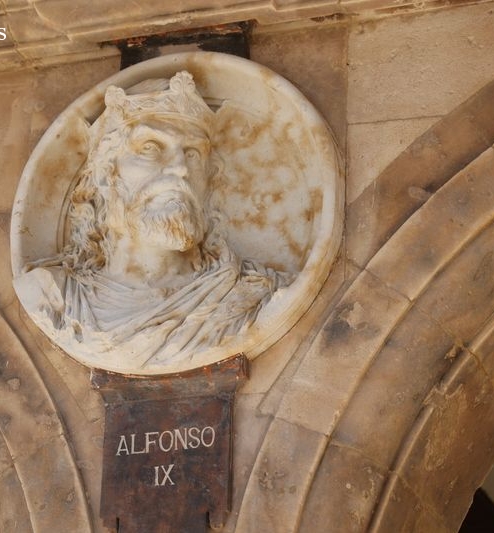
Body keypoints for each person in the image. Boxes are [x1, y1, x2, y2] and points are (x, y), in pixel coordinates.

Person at [18, 71, 292, 371]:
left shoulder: (254, 293)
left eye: (192, 153)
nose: (180, 169)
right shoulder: (53, 295)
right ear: (105, 175)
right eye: (150, 149)